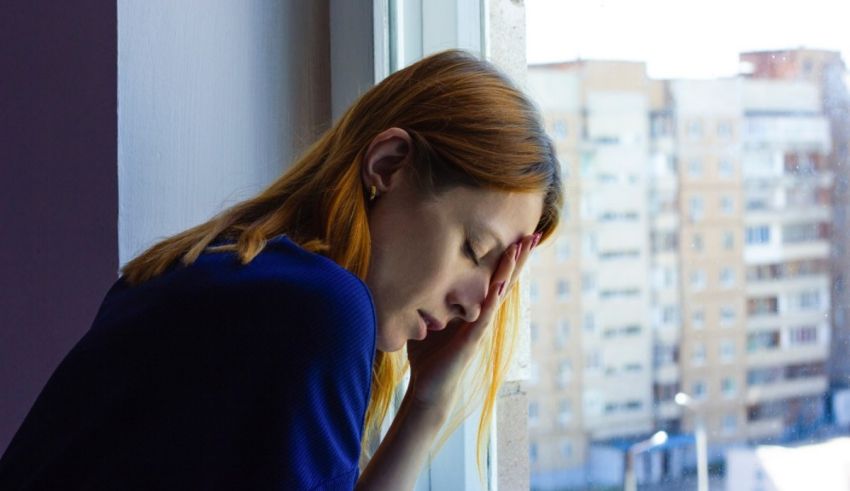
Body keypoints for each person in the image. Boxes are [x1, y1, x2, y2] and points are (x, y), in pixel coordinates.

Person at [0, 49, 563, 490]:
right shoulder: (320, 309)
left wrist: (426, 405)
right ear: (387, 166)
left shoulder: (223, 269)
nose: (474, 303)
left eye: (495, 281)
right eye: (473, 248)